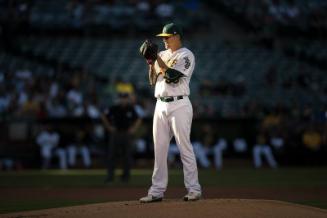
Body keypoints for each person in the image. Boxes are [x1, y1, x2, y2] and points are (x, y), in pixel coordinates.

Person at [139, 23, 202, 203]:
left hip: (179, 104)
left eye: (167, 37)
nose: (164, 40)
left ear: (177, 37)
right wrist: (150, 62)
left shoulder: (186, 54)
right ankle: (157, 191)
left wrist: (157, 60)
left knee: (184, 147)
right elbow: (152, 80)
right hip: (160, 104)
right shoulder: (161, 54)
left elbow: (173, 77)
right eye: (163, 38)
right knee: (159, 149)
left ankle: (194, 189)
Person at [101, 92, 142, 182]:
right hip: (115, 133)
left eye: (125, 98)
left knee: (127, 156)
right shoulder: (114, 108)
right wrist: (109, 127)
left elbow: (138, 119)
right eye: (122, 98)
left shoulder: (130, 108)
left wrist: (133, 129)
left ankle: (125, 176)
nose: (123, 100)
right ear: (119, 99)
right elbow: (103, 116)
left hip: (126, 134)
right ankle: (110, 176)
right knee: (112, 155)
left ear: (127, 99)